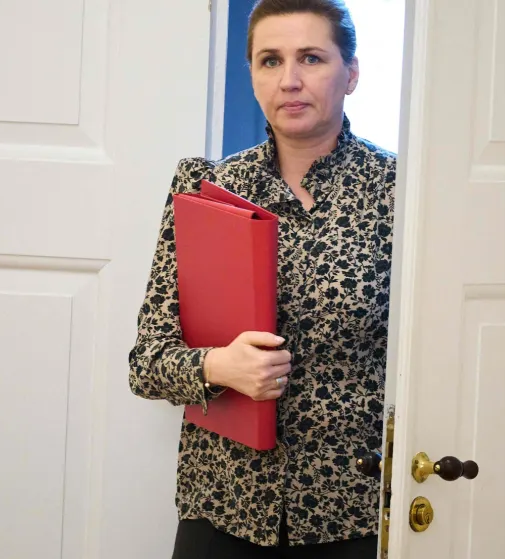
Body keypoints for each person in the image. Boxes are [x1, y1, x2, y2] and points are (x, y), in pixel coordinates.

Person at [128, 0, 395, 556]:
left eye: (312, 58)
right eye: (270, 60)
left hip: (351, 514)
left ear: (351, 74)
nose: (290, 80)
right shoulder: (207, 192)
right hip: (224, 509)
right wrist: (218, 365)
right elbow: (146, 362)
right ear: (251, 75)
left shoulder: (401, 192)